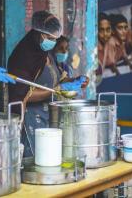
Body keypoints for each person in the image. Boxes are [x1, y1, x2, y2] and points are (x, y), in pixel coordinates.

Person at [8, 10, 86, 156]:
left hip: (49, 117)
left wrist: (75, 81)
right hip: (31, 121)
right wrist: (56, 90)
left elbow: (58, 78)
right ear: (38, 33)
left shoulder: (45, 52)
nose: (53, 42)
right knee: (36, 161)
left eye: (55, 39)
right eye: (50, 38)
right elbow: (21, 95)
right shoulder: (23, 57)